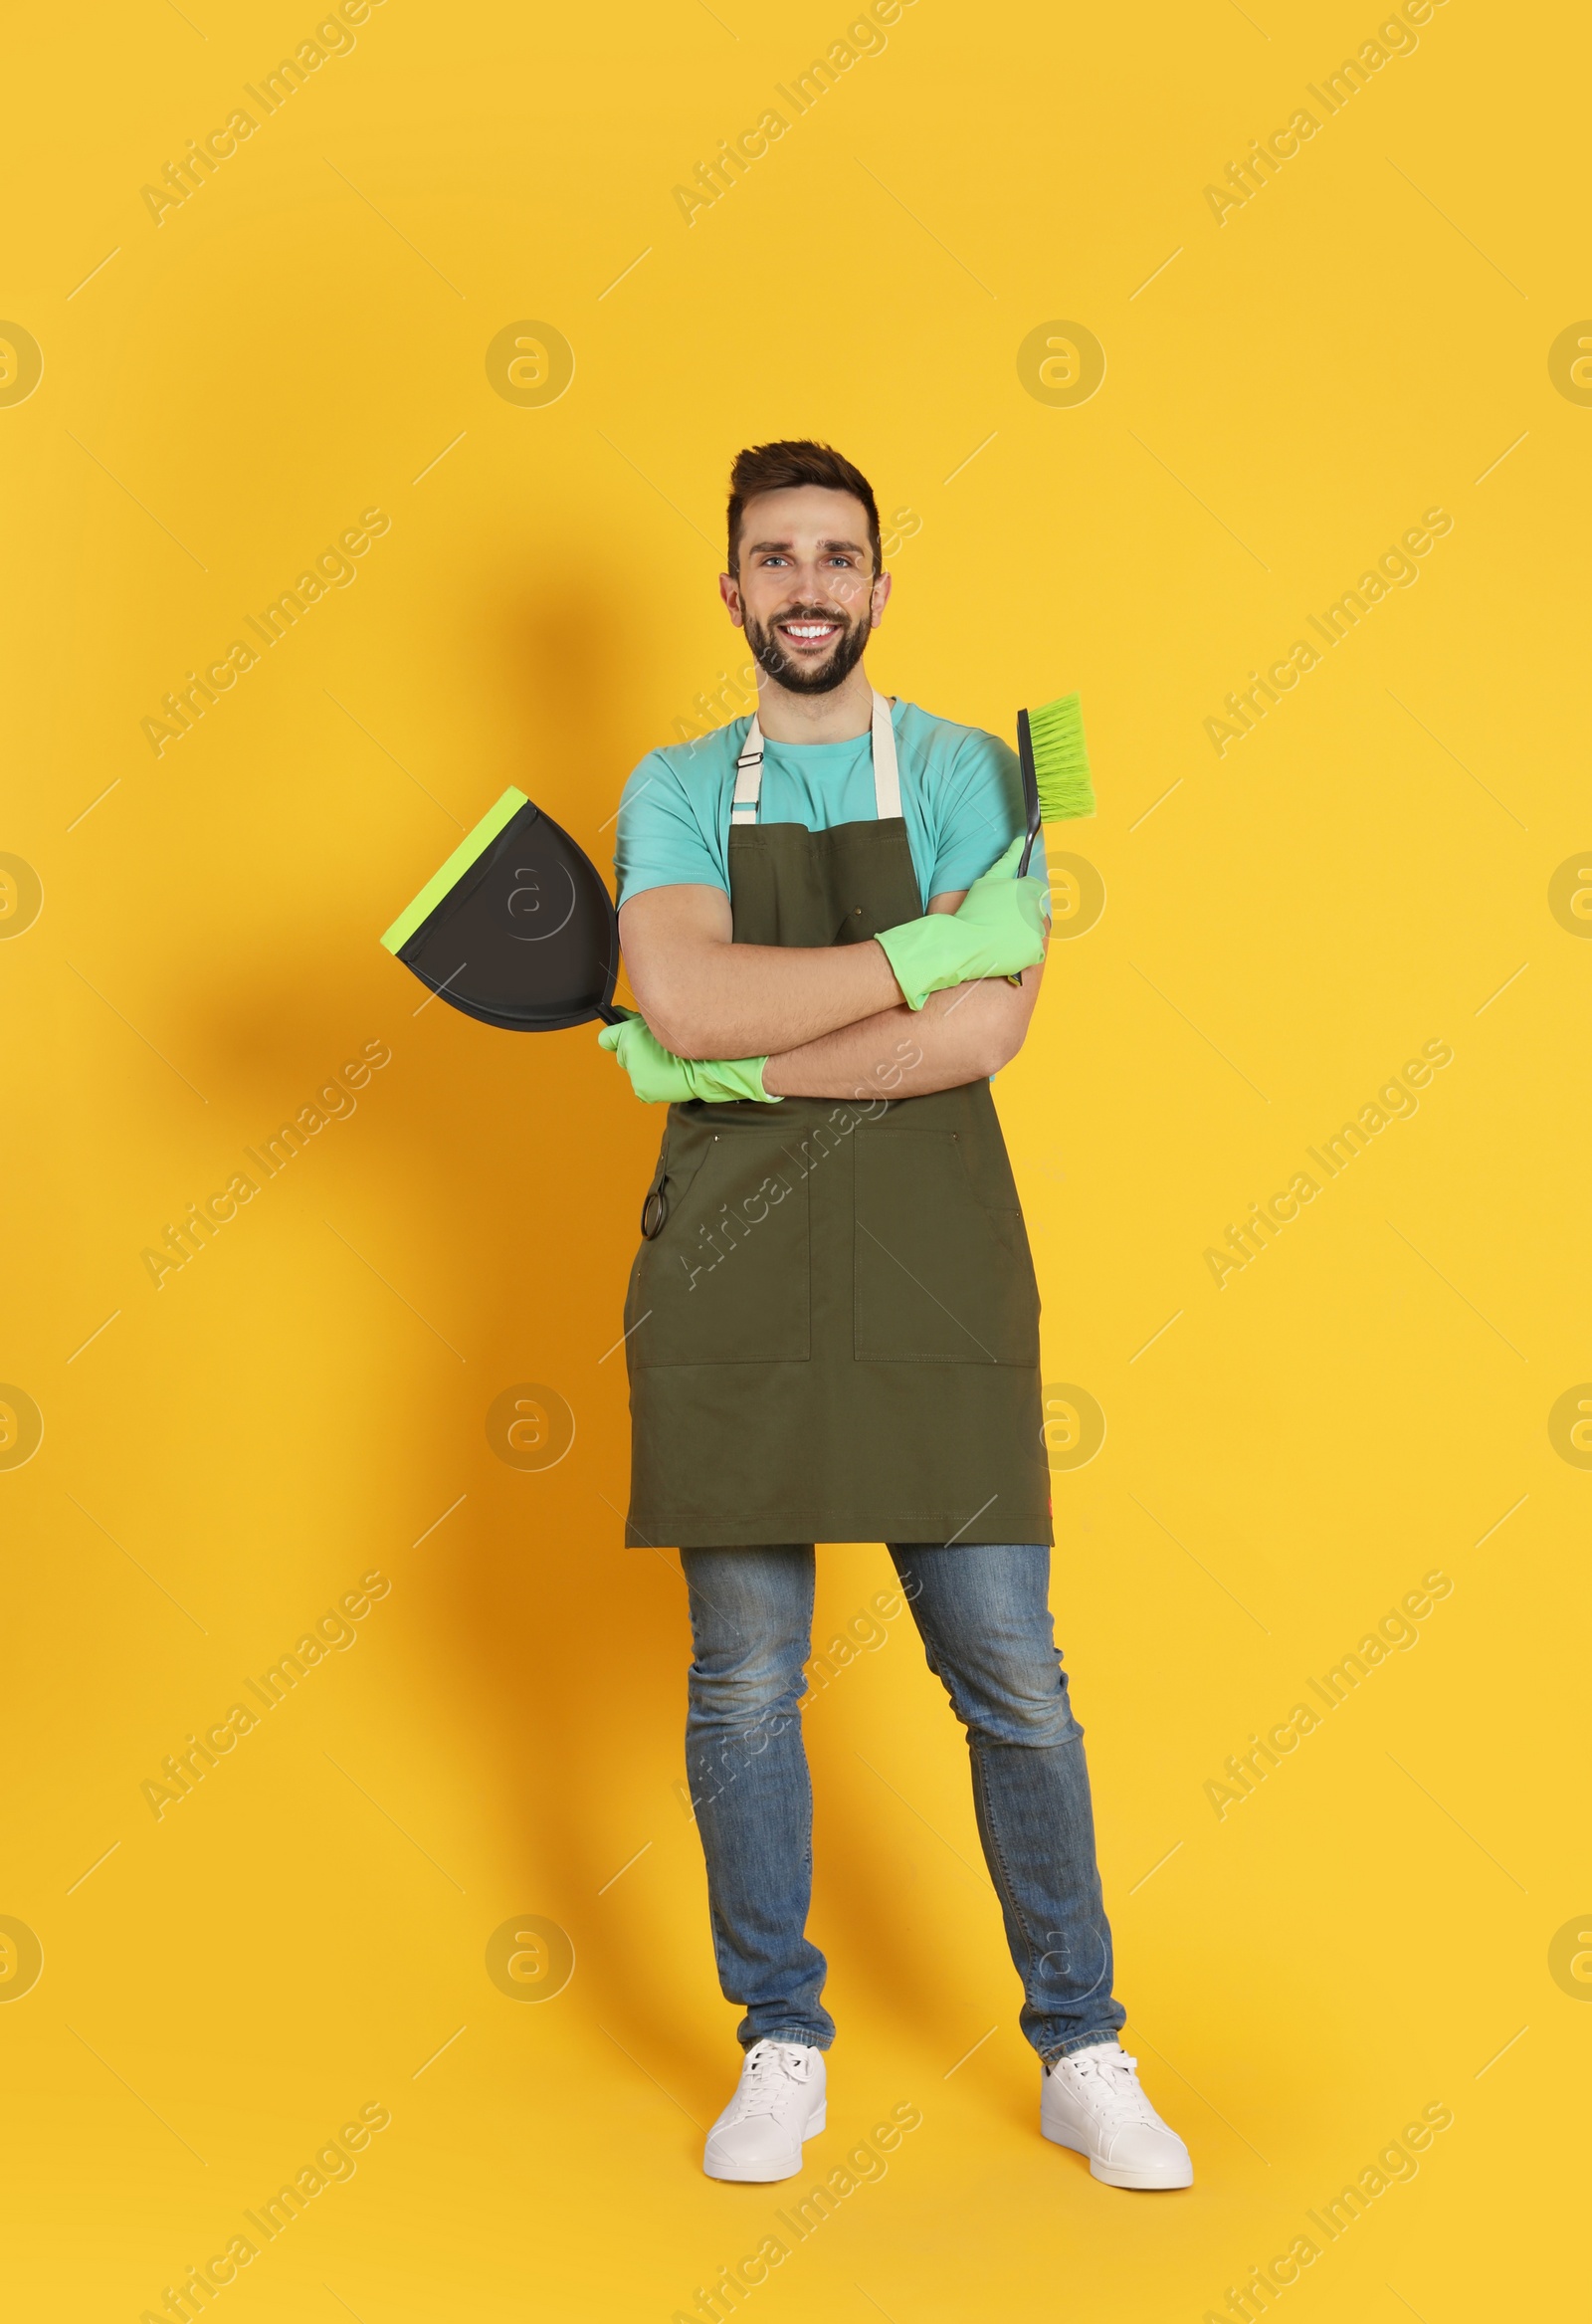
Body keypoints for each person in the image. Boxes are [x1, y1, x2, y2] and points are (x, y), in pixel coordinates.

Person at [601, 440, 1190, 2194]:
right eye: (771, 556)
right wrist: (925, 949)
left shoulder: (960, 769)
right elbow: (680, 984)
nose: (804, 584)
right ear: (730, 590)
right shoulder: (677, 782)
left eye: (835, 556)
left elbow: (979, 1042)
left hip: (936, 1269)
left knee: (1011, 1673)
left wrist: (733, 1057)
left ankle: (1084, 2049)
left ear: (877, 583)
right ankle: (780, 2035)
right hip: (728, 1275)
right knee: (744, 1684)